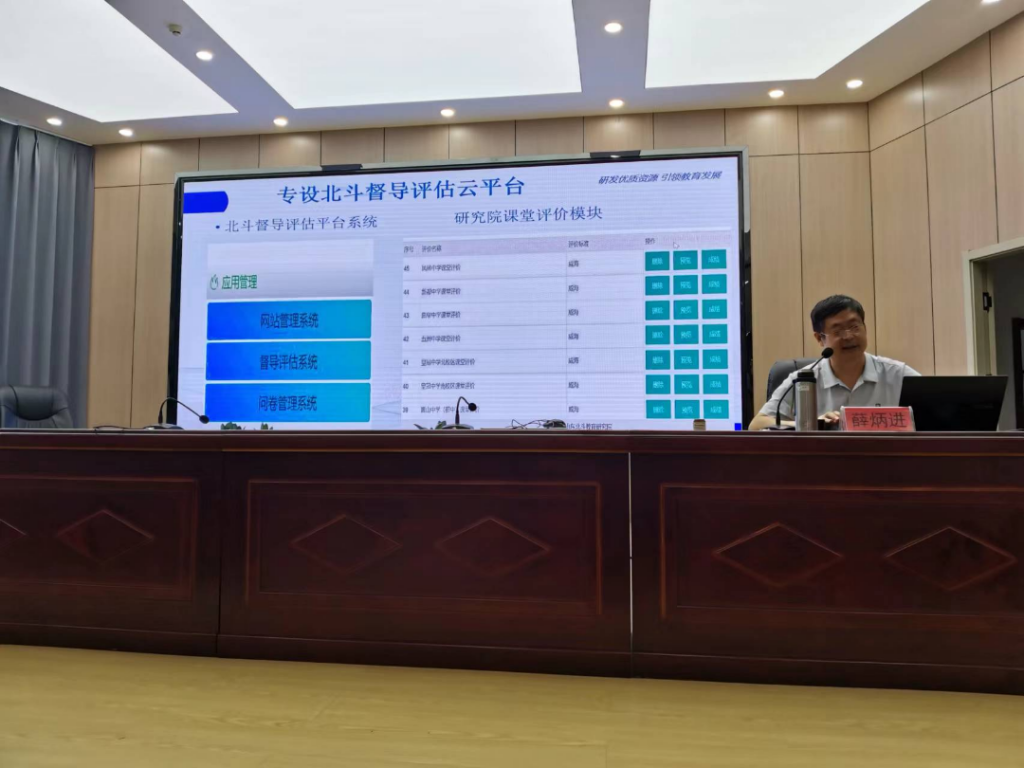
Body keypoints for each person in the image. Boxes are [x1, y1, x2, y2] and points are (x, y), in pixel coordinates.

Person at [749, 295, 920, 431]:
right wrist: (812, 424)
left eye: (855, 327)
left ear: (865, 328)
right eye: (837, 331)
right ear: (819, 338)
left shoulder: (898, 373)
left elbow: (932, 414)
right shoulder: (803, 380)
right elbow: (757, 424)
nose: (849, 336)